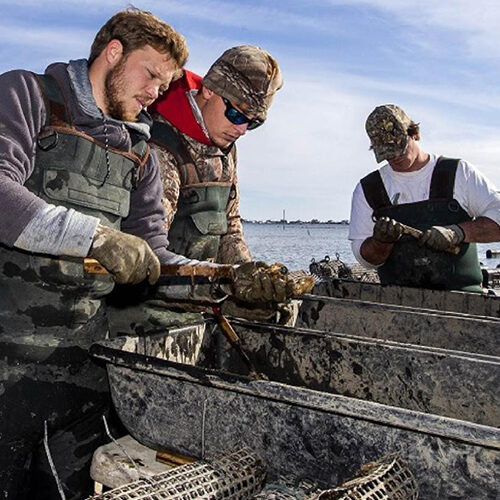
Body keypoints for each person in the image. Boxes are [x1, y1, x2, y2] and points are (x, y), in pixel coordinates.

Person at [0, 9, 301, 498]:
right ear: (113, 52)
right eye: (151, 75)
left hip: (92, 367)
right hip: (9, 361)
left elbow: (157, 257)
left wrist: (230, 279)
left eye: (164, 84)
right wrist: (95, 237)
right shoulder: (26, 95)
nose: (156, 93)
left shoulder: (138, 153)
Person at [149, 45, 282, 265]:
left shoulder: (227, 147)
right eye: (236, 114)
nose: (241, 130)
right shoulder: (160, 145)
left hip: (205, 289)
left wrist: (248, 273)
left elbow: (230, 227)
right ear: (209, 89)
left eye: (253, 123)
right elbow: (151, 250)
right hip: (159, 290)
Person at [348, 104, 500, 292]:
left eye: (399, 149)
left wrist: (457, 233)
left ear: (415, 134)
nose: (395, 158)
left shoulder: (458, 173)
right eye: (387, 154)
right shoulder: (369, 189)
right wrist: (381, 242)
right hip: (398, 302)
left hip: (463, 298)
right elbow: (365, 258)